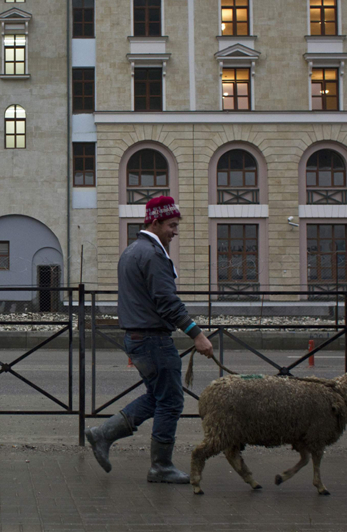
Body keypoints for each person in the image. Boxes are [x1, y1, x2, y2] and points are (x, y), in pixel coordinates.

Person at [84, 195, 214, 483]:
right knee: (171, 402)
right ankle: (161, 466)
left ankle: (103, 434)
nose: (175, 231)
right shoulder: (153, 255)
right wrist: (197, 334)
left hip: (138, 338)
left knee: (158, 397)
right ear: (154, 222)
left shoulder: (131, 251)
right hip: (153, 340)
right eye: (171, 224)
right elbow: (167, 301)